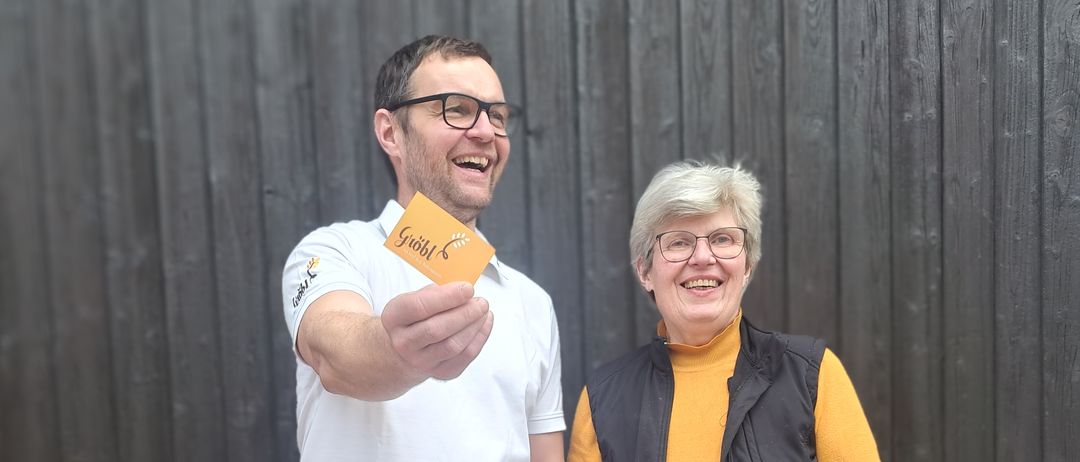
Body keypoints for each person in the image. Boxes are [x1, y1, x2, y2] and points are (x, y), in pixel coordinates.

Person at [281, 35, 565, 461]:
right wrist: (399, 352)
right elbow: (335, 357)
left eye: (498, 116)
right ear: (391, 132)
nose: (487, 131)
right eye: (457, 109)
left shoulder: (532, 303)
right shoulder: (333, 252)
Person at [567, 161, 879, 461]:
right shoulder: (603, 397)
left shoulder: (811, 373)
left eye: (722, 238)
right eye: (678, 243)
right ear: (645, 271)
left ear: (748, 265)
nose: (703, 257)